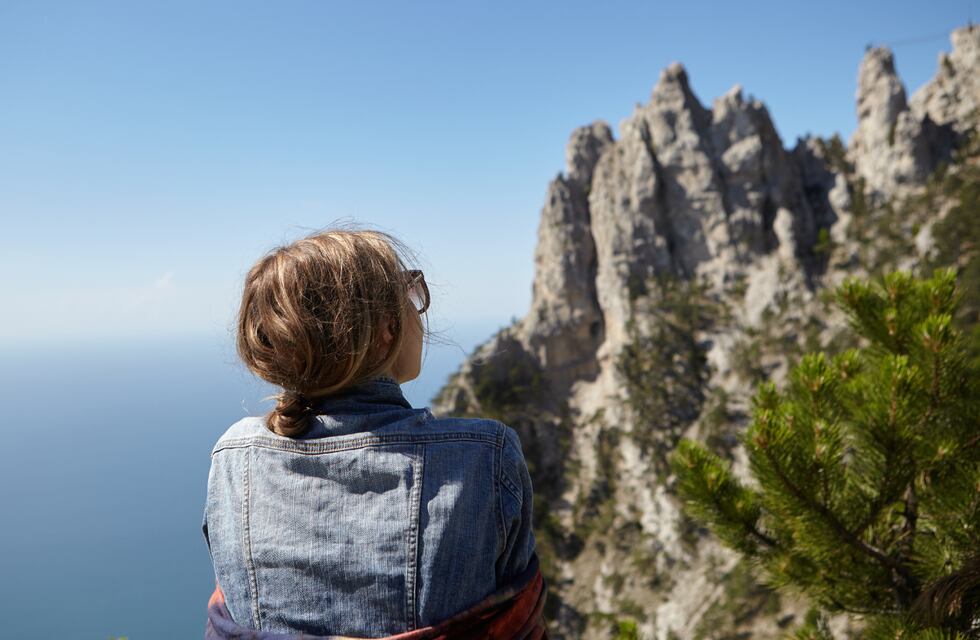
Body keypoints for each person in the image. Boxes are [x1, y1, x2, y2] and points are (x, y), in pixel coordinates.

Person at [201, 225, 547, 639]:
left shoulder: (233, 458)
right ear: (386, 328)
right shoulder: (485, 457)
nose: (420, 312)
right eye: (410, 294)